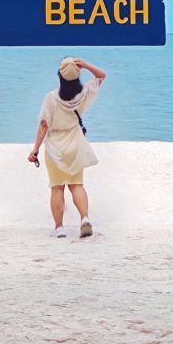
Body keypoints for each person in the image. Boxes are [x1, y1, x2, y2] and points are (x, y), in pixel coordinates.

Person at [28, 56, 106, 238]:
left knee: (57, 188)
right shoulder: (83, 95)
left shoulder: (51, 98)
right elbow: (101, 76)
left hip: (55, 147)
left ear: (59, 76)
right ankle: (85, 218)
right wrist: (85, 65)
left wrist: (35, 149)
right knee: (77, 185)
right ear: (77, 76)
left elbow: (43, 126)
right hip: (75, 145)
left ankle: (59, 227)